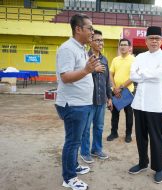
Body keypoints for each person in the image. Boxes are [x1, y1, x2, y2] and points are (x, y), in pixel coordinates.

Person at [55, 14, 98, 190]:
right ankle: (69, 177)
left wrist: (88, 69)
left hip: (82, 103)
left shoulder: (81, 48)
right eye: (90, 28)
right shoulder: (67, 49)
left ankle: (73, 166)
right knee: (72, 142)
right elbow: (65, 77)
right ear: (78, 29)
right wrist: (87, 70)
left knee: (76, 140)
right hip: (73, 105)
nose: (92, 32)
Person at [128, 26, 162, 184]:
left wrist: (142, 73)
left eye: (157, 38)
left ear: (161, 41)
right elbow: (133, 75)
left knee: (156, 137)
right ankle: (142, 162)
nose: (154, 41)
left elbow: (158, 75)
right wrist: (145, 74)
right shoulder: (139, 57)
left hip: (155, 104)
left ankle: (159, 168)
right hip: (139, 103)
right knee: (140, 136)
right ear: (145, 41)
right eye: (151, 38)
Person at [80, 30, 113, 164]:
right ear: (91, 42)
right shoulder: (84, 57)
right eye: (97, 40)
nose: (100, 43)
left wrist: (109, 97)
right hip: (88, 100)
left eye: (102, 40)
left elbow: (106, 80)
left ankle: (97, 149)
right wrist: (94, 70)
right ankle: (85, 152)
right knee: (86, 128)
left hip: (101, 100)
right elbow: (80, 76)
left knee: (99, 126)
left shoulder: (104, 59)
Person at [107, 38, 134, 143]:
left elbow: (133, 77)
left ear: (129, 47)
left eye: (125, 45)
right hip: (116, 92)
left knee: (129, 116)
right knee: (114, 114)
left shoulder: (133, 60)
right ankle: (114, 132)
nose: (123, 46)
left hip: (128, 92)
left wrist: (121, 88)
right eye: (121, 45)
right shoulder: (115, 60)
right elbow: (111, 74)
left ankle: (128, 134)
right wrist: (114, 88)